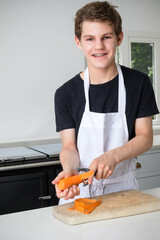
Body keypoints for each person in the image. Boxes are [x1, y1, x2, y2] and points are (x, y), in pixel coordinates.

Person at [52, 1, 159, 204]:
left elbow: (145, 137)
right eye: (90, 38)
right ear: (78, 42)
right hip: (80, 193)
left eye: (106, 37)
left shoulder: (139, 83)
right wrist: (69, 170)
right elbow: (69, 147)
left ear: (119, 38)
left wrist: (113, 156)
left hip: (123, 192)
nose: (98, 46)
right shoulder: (65, 93)